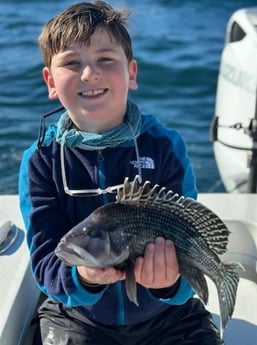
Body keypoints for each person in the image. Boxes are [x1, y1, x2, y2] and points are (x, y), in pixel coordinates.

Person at [19, 1, 223, 344]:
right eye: (72, 62)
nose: (89, 73)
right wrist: (82, 276)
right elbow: (46, 263)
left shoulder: (165, 147)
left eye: (105, 59)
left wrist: (171, 283)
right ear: (50, 81)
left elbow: (190, 238)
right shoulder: (41, 161)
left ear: (131, 73)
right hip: (79, 317)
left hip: (168, 316)